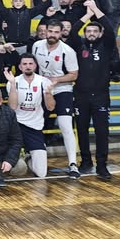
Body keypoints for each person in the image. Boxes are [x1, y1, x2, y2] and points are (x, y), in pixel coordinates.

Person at [66, 0, 116, 179]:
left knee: (102, 132)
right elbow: (72, 31)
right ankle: (86, 162)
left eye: (95, 31)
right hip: (81, 96)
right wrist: (87, 15)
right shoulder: (79, 45)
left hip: (101, 96)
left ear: (100, 33)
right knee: (82, 130)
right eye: (89, 31)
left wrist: (96, 10)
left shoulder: (106, 45)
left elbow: (109, 28)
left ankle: (102, 165)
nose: (92, 33)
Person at [32, 19, 81, 179]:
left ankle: (72, 164)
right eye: (50, 31)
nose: (52, 34)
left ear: (61, 33)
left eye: (56, 32)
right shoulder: (37, 46)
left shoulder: (68, 51)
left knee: (65, 125)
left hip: (62, 89)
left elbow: (74, 75)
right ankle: (34, 157)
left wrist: (56, 80)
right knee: (36, 123)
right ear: (45, 31)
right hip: (43, 89)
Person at [5, 54, 55, 178]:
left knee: (41, 173)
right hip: (16, 125)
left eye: (30, 63)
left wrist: (48, 94)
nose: (28, 66)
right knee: (12, 167)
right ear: (20, 67)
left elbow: (50, 107)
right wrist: (12, 85)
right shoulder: (14, 81)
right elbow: (12, 106)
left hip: (35, 127)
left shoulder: (44, 81)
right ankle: (19, 156)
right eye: (25, 64)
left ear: (35, 66)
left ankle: (28, 158)